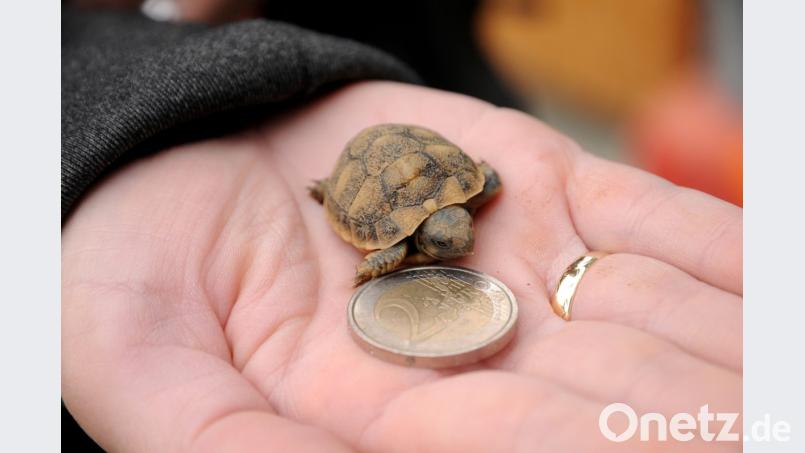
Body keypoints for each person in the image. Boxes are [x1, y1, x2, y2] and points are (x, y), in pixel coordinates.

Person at [62, 3, 742, 452]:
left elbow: (481, 176)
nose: (463, 245)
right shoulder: (392, 242)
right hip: (331, 132)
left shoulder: (467, 195)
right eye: (449, 241)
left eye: (458, 234)